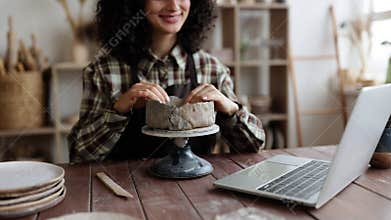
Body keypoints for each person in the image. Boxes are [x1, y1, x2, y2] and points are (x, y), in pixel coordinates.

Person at [68, 0, 265, 163]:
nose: (173, 5)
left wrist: (230, 110)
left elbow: (254, 147)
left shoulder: (211, 68)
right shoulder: (103, 72)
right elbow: (80, 155)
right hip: (128, 196)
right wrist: (118, 111)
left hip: (197, 194)